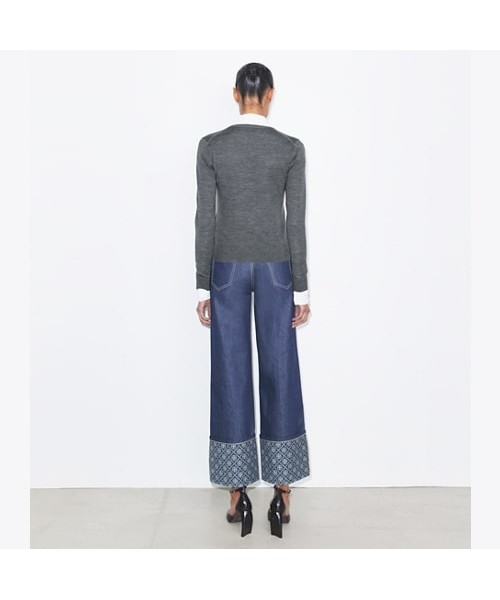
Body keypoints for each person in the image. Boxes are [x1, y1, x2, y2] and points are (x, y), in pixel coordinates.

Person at [194, 62, 311, 538]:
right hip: (277, 270)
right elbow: (295, 222)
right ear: (271, 95)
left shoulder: (212, 147)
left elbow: (205, 218)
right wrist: (301, 287)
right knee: (280, 368)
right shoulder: (289, 148)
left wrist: (202, 284)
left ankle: (237, 493)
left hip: (226, 270)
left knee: (230, 371)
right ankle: (282, 492)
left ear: (235, 94)